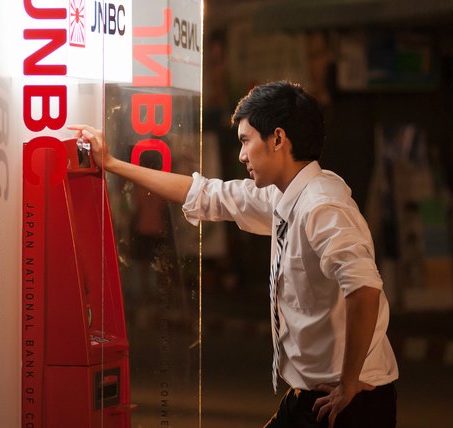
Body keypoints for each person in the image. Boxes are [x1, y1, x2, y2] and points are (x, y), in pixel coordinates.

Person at [69, 80, 398, 428]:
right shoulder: (282, 196)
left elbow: (364, 289)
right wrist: (112, 164)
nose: (241, 155)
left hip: (349, 402)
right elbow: (205, 194)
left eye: (245, 140)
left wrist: (349, 383)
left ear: (278, 139)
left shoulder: (322, 205)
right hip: (311, 395)